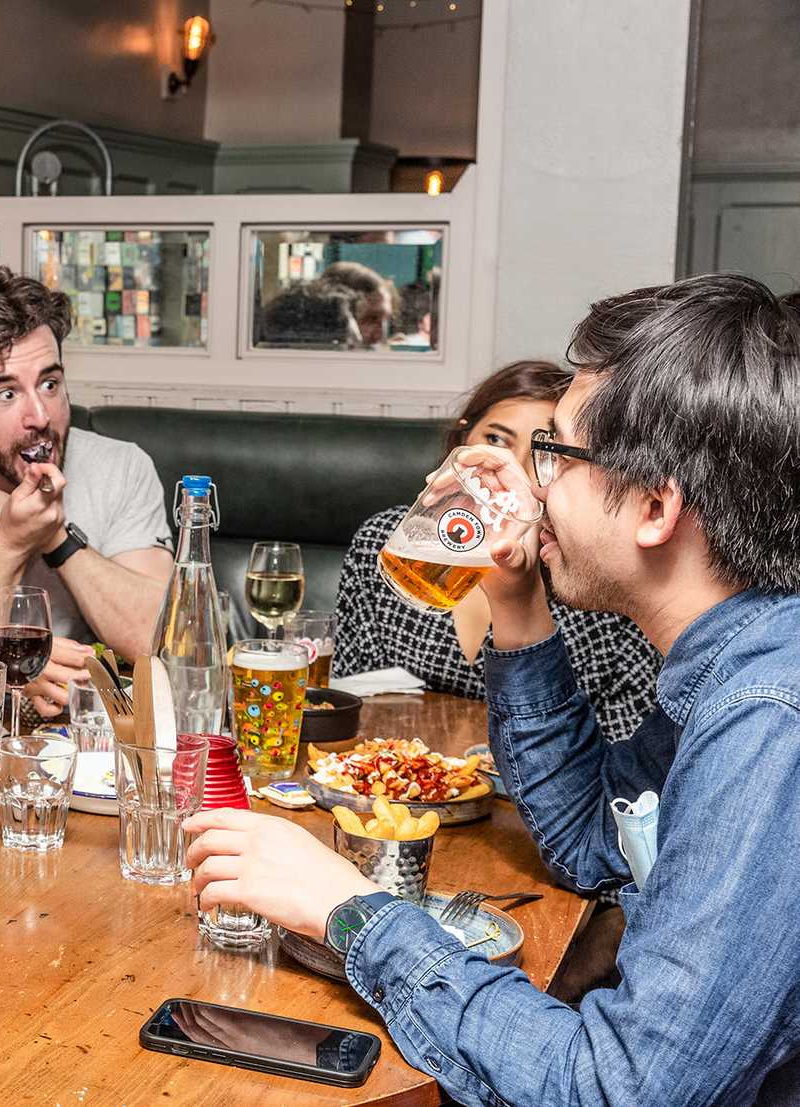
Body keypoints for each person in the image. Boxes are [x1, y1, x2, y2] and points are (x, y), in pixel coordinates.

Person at [186, 273, 800, 1105]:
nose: (531, 485)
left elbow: (615, 1088)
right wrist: (515, 598)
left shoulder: (768, 716)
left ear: (656, 506)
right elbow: (594, 843)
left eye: (557, 454)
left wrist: (349, 907)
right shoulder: (733, 660)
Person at [0, 267, 174, 716]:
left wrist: (54, 536)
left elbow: (159, 643)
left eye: (50, 383)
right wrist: (11, 542)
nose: (40, 415)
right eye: (7, 394)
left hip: (93, 738)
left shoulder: (122, 467)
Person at [335, 359, 660, 743]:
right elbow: (346, 700)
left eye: (544, 452)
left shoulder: (595, 578)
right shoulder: (386, 543)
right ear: (461, 442)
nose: (512, 467)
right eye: (495, 440)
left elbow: (627, 758)